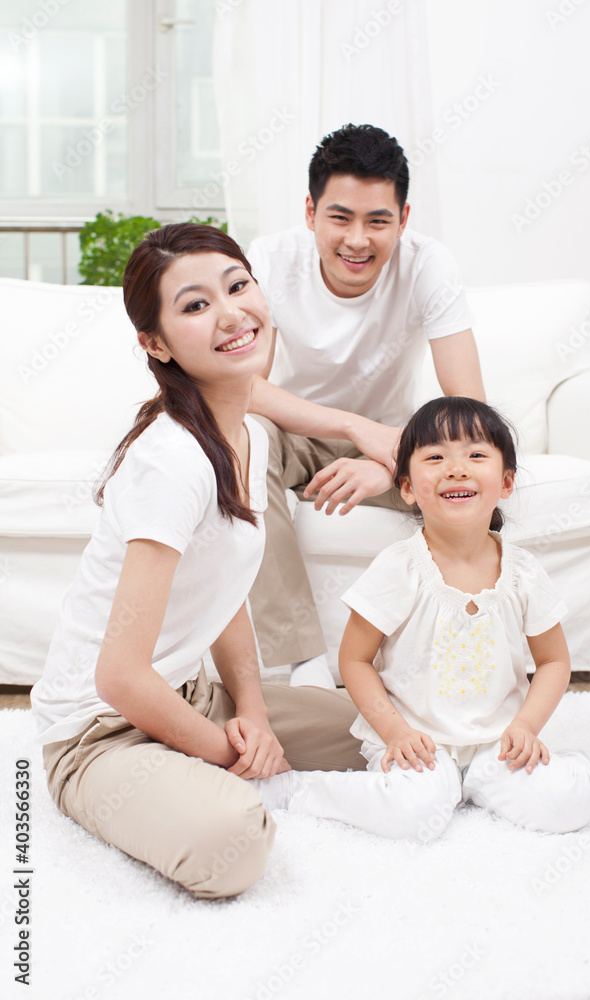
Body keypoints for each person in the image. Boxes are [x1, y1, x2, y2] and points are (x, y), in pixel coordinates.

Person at [30, 223, 367, 901]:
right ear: (154, 344)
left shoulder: (246, 433)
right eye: (194, 305)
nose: (232, 313)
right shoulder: (171, 461)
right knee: (234, 845)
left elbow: (223, 591)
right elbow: (120, 676)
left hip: (187, 695)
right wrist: (228, 754)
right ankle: (162, 786)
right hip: (99, 732)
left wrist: (254, 714)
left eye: (237, 286)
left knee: (382, 727)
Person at [254, 397, 590, 839]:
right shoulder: (398, 567)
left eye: (476, 455)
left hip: (496, 740)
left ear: (506, 483)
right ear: (406, 487)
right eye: (435, 457)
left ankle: (578, 766)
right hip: (418, 740)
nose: (457, 468)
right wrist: (395, 733)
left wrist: (525, 727)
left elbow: (554, 662)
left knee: (567, 805)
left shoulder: (522, 571)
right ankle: (296, 790)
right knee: (412, 814)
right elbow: (355, 661)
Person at [246, 124, 486, 688]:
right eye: (340, 217)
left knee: (477, 471)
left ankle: (466, 663)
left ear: (403, 220)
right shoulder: (271, 259)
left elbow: (469, 409)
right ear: (310, 212)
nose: (358, 239)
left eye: (378, 221)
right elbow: (246, 390)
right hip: (297, 433)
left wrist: (386, 462)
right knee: (244, 440)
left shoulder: (428, 264)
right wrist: (358, 428)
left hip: (398, 443)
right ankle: (305, 664)